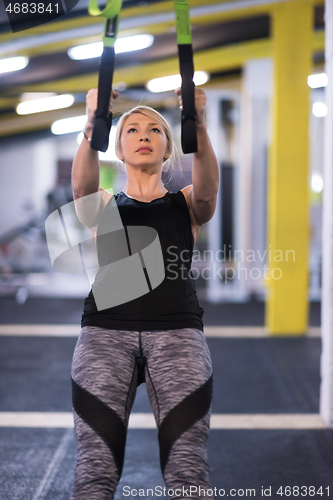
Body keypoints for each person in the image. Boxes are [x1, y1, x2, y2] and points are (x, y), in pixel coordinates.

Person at [70, 86, 220, 500]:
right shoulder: (101, 204)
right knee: (94, 472)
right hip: (104, 336)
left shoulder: (187, 204)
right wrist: (91, 123)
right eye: (132, 129)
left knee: (188, 471)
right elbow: (81, 188)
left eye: (155, 129)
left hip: (177, 336)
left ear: (168, 148)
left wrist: (199, 125)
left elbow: (208, 191)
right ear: (118, 148)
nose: (143, 134)